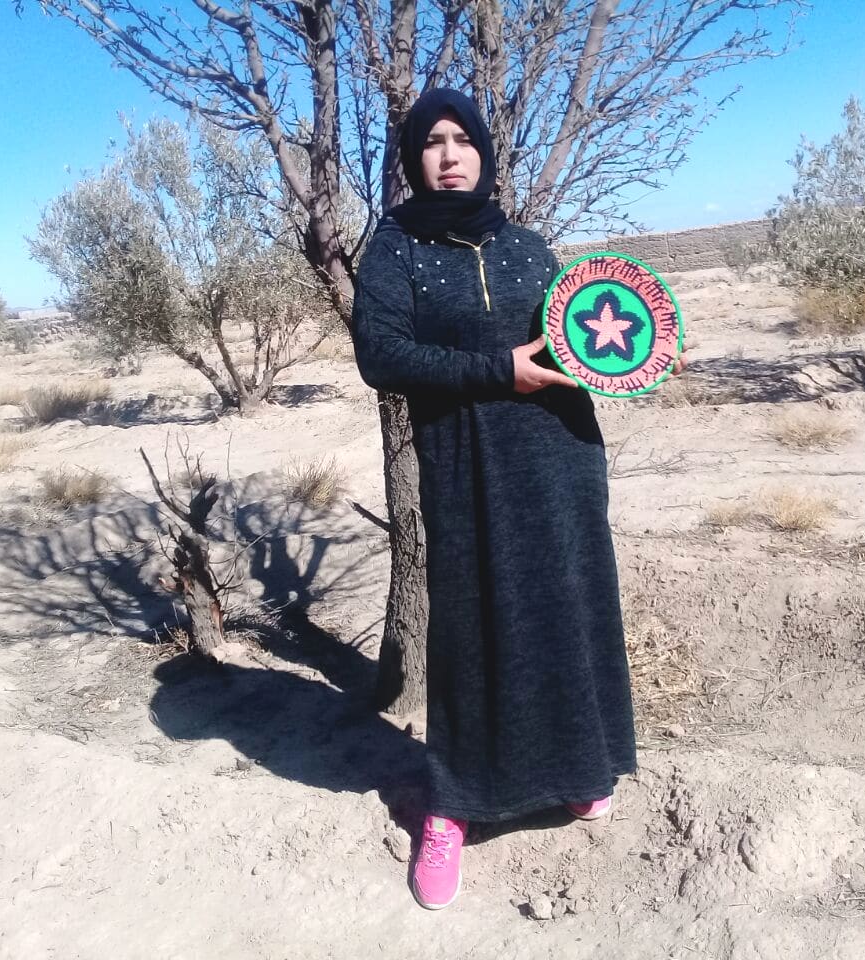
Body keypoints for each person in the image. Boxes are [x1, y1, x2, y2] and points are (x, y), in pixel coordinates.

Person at [351, 88, 680, 911]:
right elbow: (381, 356)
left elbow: (586, 332)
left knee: (566, 611)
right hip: (467, 466)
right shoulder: (394, 251)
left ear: (486, 154)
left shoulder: (529, 245)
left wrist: (632, 344)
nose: (451, 154)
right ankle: (450, 813)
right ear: (414, 158)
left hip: (560, 456)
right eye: (433, 142)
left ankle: (579, 769)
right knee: (471, 630)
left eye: (464, 140)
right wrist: (499, 371)